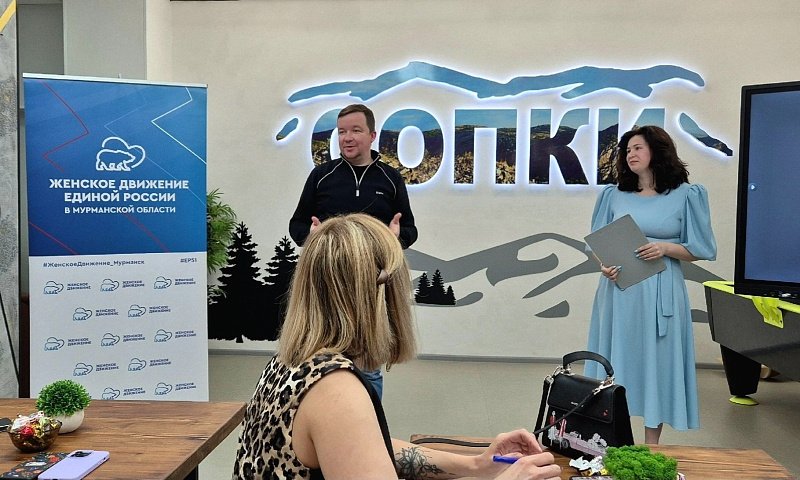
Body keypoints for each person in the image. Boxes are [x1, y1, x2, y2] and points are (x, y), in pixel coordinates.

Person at [233, 214, 560, 480]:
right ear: (381, 294)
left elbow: (362, 446)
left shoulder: (293, 360)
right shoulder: (335, 390)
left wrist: (476, 465)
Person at [585, 125, 717, 445]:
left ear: (657, 151)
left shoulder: (687, 194)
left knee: (657, 362)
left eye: (638, 148)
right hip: (619, 292)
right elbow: (598, 243)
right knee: (617, 360)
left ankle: (651, 446)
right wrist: (604, 265)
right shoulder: (613, 195)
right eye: (627, 150)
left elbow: (702, 249)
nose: (630, 154)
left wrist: (665, 248)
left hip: (661, 291)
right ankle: (611, 441)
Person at [289, 103, 418, 398]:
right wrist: (311, 237)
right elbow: (297, 225)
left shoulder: (390, 178)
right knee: (322, 359)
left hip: (372, 286)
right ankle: (325, 414)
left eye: (355, 131)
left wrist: (395, 239)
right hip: (326, 284)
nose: (347, 138)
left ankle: (369, 420)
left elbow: (410, 229)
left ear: (372, 136)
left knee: (368, 365)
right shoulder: (321, 176)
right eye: (341, 131)